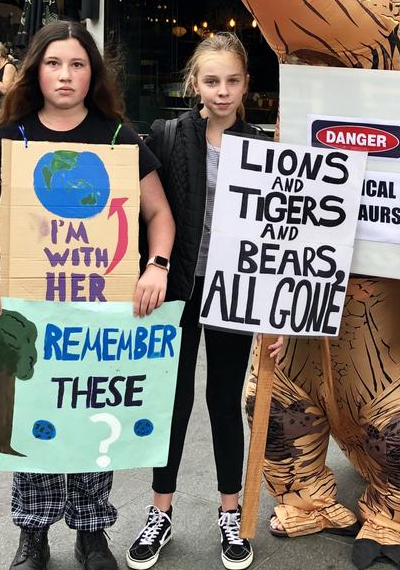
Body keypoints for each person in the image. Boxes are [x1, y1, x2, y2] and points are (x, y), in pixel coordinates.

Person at [0, 20, 176, 570]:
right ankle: (34, 533)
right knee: (36, 416)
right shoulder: (10, 139)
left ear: (92, 73)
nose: (65, 75)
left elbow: (159, 213)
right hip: (29, 309)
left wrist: (157, 264)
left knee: (94, 415)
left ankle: (93, 532)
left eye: (77, 64)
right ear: (35, 70)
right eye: (53, 63)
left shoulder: (118, 138)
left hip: (103, 310)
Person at [126, 33, 283, 570]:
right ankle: (160, 511)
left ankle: (230, 514)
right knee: (171, 403)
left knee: (223, 402)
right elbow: (140, 206)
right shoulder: (167, 136)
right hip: (176, 291)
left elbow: (276, 237)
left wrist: (275, 313)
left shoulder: (264, 147)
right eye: (212, 80)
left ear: (246, 84)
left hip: (234, 295)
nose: (222, 91)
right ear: (195, 82)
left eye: (233, 81)